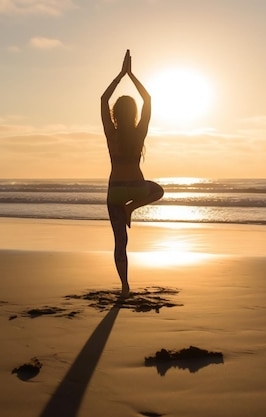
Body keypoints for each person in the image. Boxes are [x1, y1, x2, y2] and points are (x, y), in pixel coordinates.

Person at [101, 50, 164, 297]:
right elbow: (148, 99)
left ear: (116, 114)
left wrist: (120, 76)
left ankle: (125, 287)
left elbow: (103, 100)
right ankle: (132, 208)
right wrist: (132, 75)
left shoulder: (111, 133)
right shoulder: (139, 133)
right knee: (158, 190)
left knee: (120, 242)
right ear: (134, 113)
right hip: (137, 187)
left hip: (115, 191)